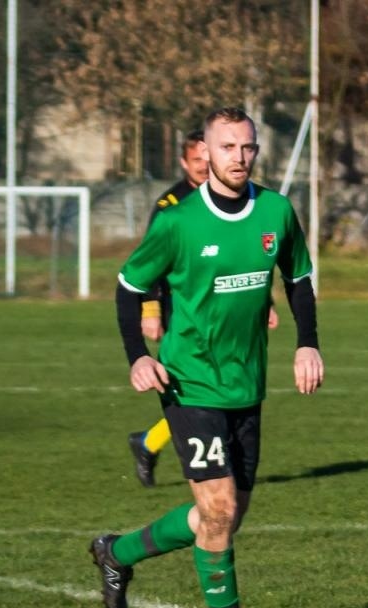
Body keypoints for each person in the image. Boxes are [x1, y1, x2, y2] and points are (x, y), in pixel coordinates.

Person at [90, 106, 323, 608]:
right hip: (189, 381)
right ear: (207, 154)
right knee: (217, 510)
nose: (238, 158)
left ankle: (117, 551)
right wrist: (137, 357)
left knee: (222, 515)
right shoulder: (178, 222)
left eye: (247, 148)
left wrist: (307, 341)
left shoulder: (276, 211)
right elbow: (128, 288)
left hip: (247, 383)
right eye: (227, 148)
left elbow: (298, 278)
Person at [125, 128, 278, 487]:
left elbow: (243, 259)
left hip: (221, 311)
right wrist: (151, 310)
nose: (200, 167)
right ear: (186, 162)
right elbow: (150, 267)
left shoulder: (243, 203)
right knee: (192, 384)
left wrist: (264, 301)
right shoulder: (172, 207)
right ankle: (150, 443)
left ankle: (148, 442)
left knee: (211, 385)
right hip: (180, 308)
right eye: (194, 161)